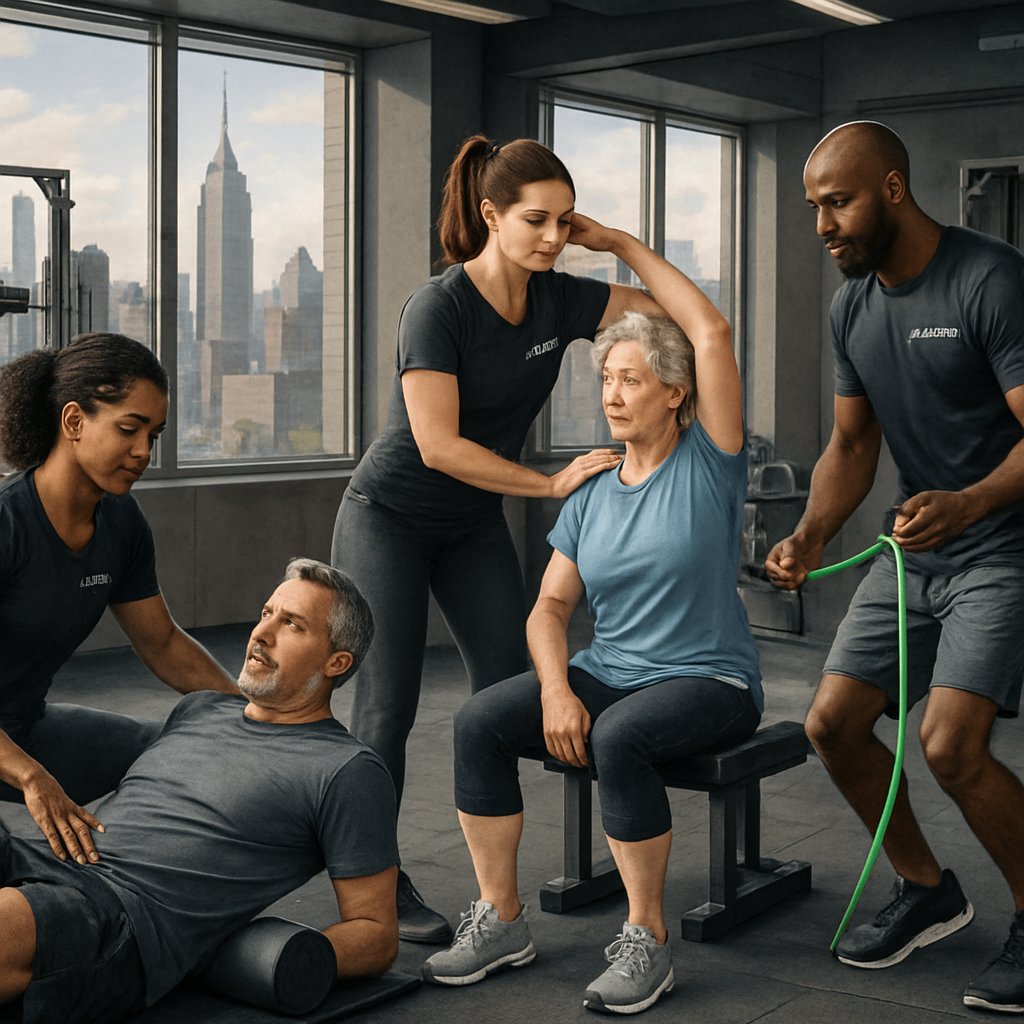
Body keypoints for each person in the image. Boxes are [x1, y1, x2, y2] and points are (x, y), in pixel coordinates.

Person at [332, 134, 712, 943]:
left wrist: (618, 244)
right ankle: (374, 883)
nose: (551, 237)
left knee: (514, 694)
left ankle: (523, 888)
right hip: (390, 515)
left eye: (565, 222)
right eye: (535, 220)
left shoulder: (559, 299)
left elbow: (684, 317)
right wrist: (546, 485)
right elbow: (437, 446)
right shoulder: (439, 307)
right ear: (490, 215)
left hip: (470, 520)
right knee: (386, 709)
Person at [421, 242, 762, 1015]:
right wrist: (553, 691)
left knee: (619, 738)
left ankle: (648, 938)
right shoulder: (593, 488)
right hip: (611, 670)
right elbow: (548, 609)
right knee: (478, 722)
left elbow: (711, 332)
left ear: (677, 394)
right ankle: (501, 917)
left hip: (710, 679)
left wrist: (613, 246)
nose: (612, 394)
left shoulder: (713, 463)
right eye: (606, 378)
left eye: (631, 379)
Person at [765, 121, 1024, 1014]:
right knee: (831, 724)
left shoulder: (990, 279)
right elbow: (850, 443)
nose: (822, 225)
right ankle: (926, 889)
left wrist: (972, 501)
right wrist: (808, 536)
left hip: (1002, 545)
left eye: (836, 202)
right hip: (914, 550)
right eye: (814, 208)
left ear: (893, 190)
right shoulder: (853, 306)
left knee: (950, 744)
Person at [0, 557, 399, 1024]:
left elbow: (377, 932)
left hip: (120, 913)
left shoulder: (347, 770)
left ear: (337, 661)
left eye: (292, 625)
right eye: (266, 613)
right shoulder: (200, 709)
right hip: (44, 857)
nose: (261, 633)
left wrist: (294, 957)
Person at [0, 333, 237, 868]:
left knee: (172, 751)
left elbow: (162, 642)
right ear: (74, 422)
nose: (143, 453)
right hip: (13, 753)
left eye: (154, 435)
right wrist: (32, 776)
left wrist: (251, 712)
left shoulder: (122, 523)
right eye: (129, 429)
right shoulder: (7, 524)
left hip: (24, 726)